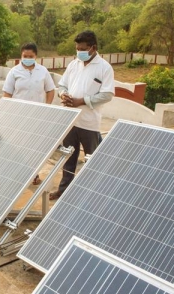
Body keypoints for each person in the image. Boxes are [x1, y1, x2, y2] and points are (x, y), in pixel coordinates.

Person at [49, 30, 115, 200]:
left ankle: (91, 195)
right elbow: (62, 85)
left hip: (89, 123)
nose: (79, 52)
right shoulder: (74, 64)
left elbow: (107, 94)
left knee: (91, 159)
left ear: (93, 48)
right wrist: (63, 95)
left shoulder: (104, 68)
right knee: (68, 157)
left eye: (83, 49)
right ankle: (64, 190)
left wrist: (82, 101)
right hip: (70, 120)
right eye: (77, 48)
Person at [2, 42, 55, 184]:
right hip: (18, 115)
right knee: (18, 145)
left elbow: (50, 90)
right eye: (25, 56)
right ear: (21, 55)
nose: (27, 58)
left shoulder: (43, 71)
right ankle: (19, 173)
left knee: (35, 146)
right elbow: (7, 93)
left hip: (38, 116)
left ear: (36, 56)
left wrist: (47, 106)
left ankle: (34, 174)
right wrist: (9, 112)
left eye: (30, 56)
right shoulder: (14, 72)